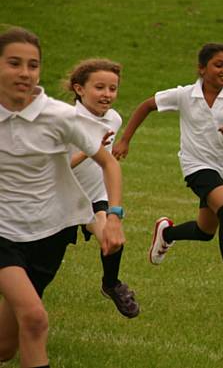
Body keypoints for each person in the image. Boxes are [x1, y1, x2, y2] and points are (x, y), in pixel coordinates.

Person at [0, 27, 124, 367]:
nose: (25, 73)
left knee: (5, 347)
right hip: (3, 233)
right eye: (14, 63)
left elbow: (109, 163)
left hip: (49, 233)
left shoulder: (58, 116)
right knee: (36, 319)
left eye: (33, 65)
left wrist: (114, 216)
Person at [113, 42, 223, 309]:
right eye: (219, 64)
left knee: (205, 231)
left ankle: (167, 234)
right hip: (196, 167)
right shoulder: (184, 95)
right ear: (202, 69)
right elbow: (147, 105)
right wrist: (125, 140)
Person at [63, 59, 139, 318]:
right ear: (79, 89)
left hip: (95, 196)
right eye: (99, 87)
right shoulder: (66, 121)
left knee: (113, 240)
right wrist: (89, 150)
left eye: (112, 88)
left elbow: (106, 163)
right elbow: (57, 168)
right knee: (41, 265)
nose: (107, 94)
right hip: (60, 199)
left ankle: (111, 284)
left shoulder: (114, 119)